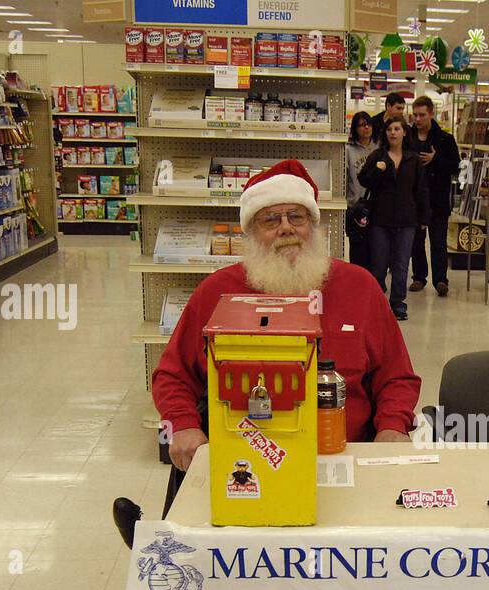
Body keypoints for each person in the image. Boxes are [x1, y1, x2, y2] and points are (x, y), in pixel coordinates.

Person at [153, 159, 421, 487]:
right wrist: (183, 424)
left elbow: (397, 376)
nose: (286, 228)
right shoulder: (217, 292)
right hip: (241, 464)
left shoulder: (360, 287)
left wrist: (392, 426)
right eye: (270, 219)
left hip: (343, 459)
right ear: (250, 232)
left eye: (297, 216)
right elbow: (172, 374)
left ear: (313, 225)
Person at [358, 117, 430, 321]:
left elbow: (421, 190)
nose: (393, 133)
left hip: (407, 220)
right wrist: (378, 170)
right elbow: (365, 181)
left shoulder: (413, 159)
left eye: (397, 129)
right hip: (380, 219)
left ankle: (398, 303)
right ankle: (377, 303)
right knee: (379, 265)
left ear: (404, 132)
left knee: (401, 265)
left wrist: (424, 217)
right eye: (389, 129)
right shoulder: (377, 156)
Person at [407, 95, 460, 297]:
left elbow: (455, 166)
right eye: (415, 115)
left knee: (438, 242)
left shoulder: (445, 140)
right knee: (416, 242)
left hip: (437, 199)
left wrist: (435, 159)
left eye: (422, 115)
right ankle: (419, 277)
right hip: (414, 200)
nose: (418, 119)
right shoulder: (407, 138)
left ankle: (440, 280)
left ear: (431, 113)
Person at [345, 110, 378, 270]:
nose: (366, 128)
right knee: (357, 251)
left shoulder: (379, 149)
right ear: (355, 129)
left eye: (369, 124)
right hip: (356, 207)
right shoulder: (348, 151)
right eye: (362, 125)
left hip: (377, 207)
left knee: (376, 249)